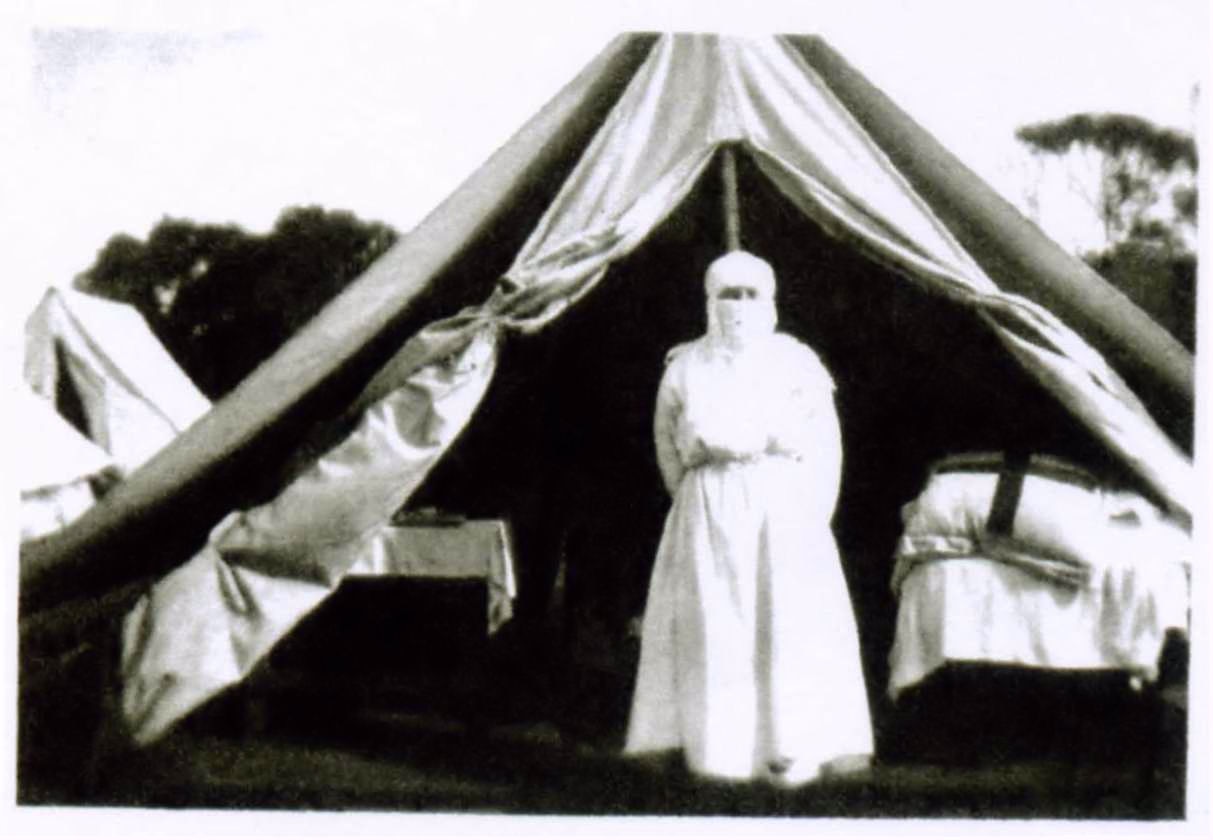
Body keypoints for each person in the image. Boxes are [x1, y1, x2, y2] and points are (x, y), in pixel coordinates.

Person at [624, 250, 873, 785]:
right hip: (707, 512)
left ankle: (790, 748)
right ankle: (719, 754)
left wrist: (809, 519)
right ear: (709, 300)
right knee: (713, 628)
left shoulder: (798, 364)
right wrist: (697, 497)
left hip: (782, 511)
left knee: (785, 625)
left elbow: (825, 447)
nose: (738, 305)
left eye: (750, 294)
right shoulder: (684, 367)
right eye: (728, 294)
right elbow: (666, 443)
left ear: (770, 300)